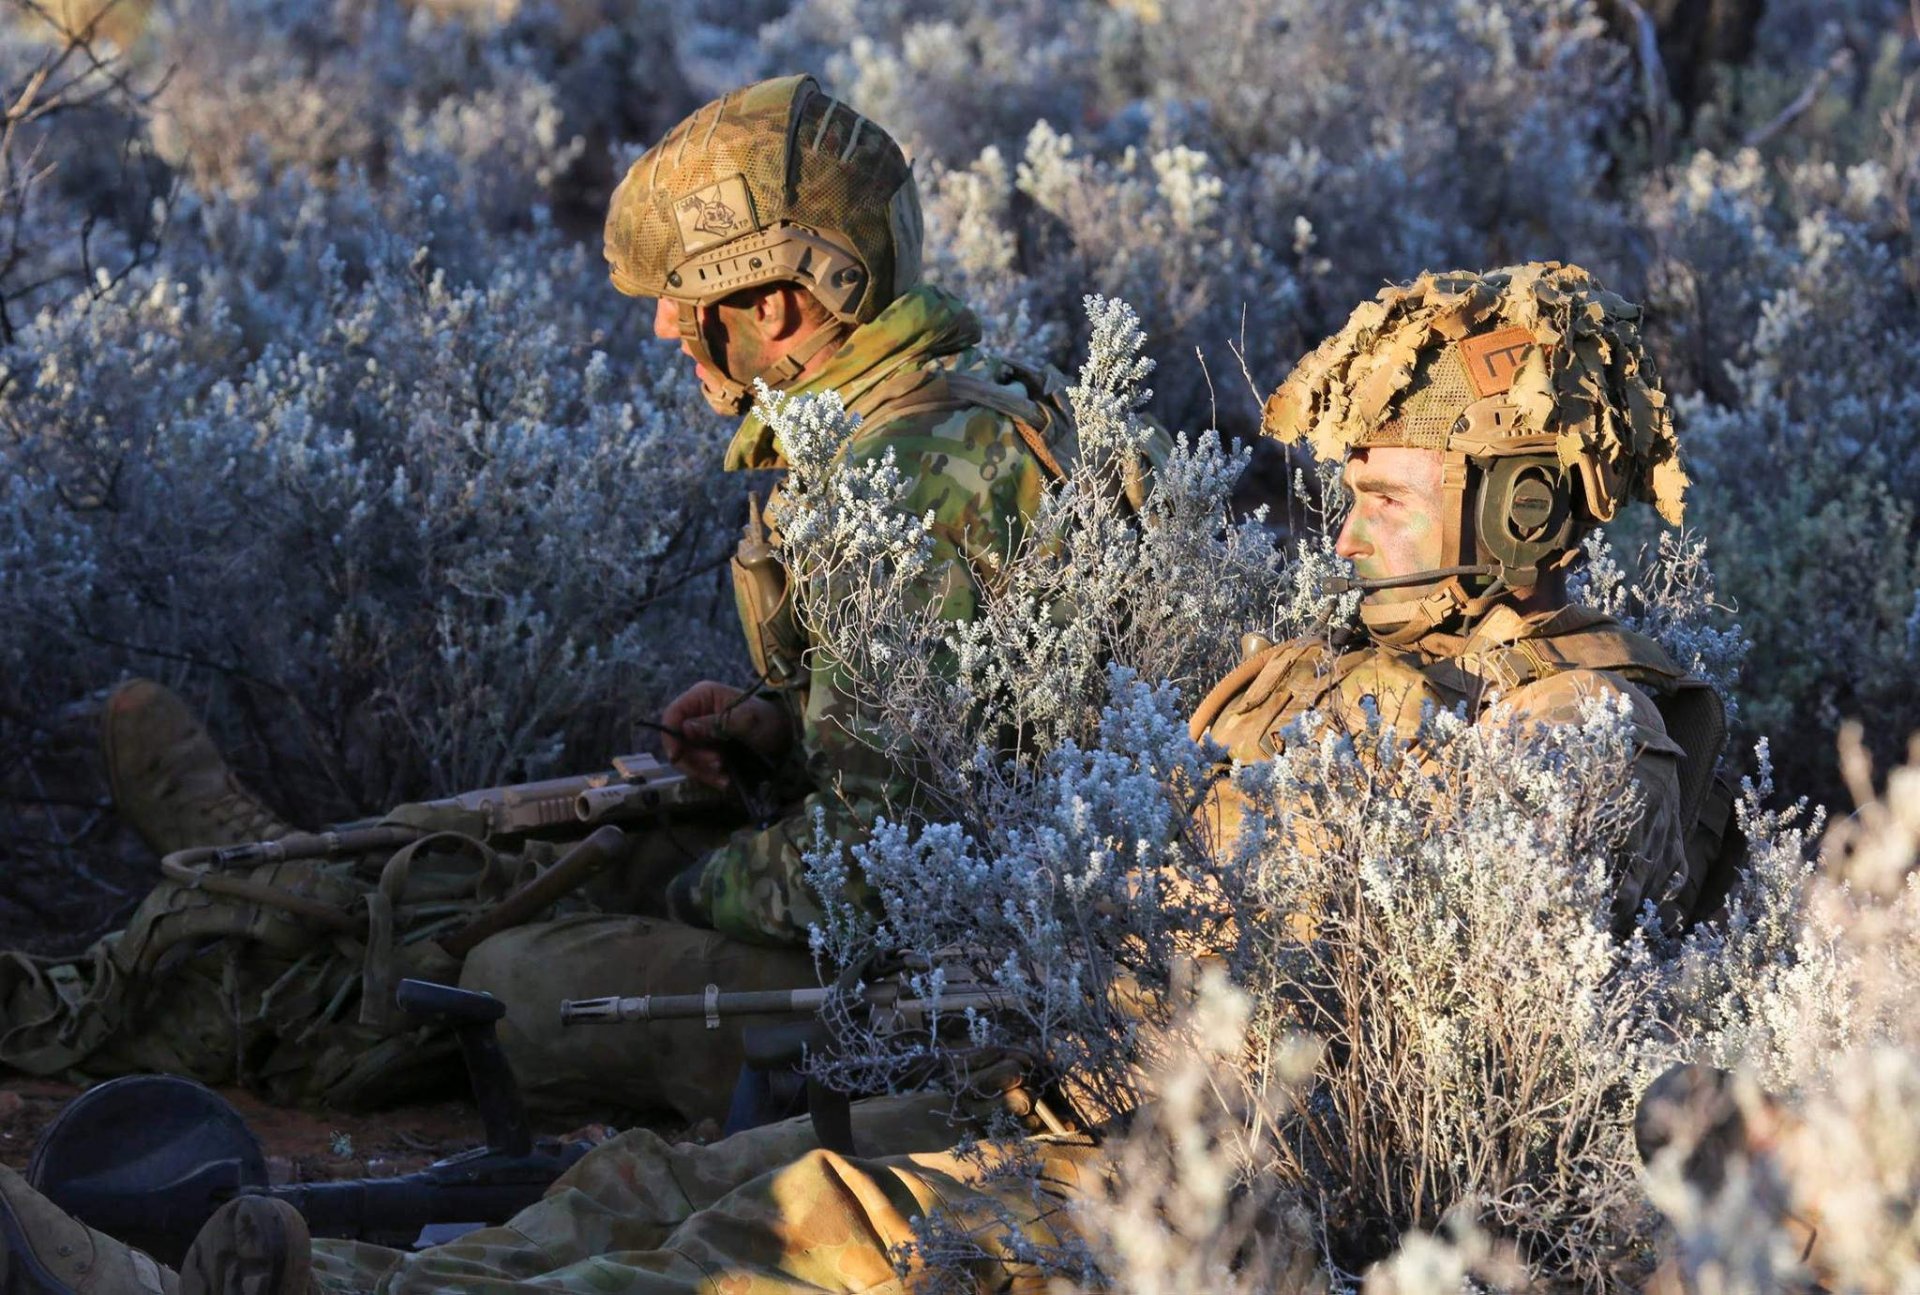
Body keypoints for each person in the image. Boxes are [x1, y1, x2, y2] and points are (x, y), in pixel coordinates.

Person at [0, 263, 1741, 1295]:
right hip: (1081, 1091)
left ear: (1522, 496)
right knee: (644, 1181)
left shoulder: (1581, 737)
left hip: (1238, 1187)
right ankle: (285, 1270)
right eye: (1353, 456)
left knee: (766, 1245)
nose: (1351, 489)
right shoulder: (1323, 666)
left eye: (1401, 462)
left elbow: (1422, 1066)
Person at [0, 73, 1086, 1120]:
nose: (669, 328)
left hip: (954, 990)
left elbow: (873, 872)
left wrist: (684, 887)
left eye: (687, 296)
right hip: (958, 901)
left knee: (512, 979)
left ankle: (201, 1008)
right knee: (538, 849)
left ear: (783, 297)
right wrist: (780, 728)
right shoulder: (961, 407)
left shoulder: (897, 483)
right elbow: (947, 753)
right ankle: (279, 892)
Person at [1192, 261, 1737, 936]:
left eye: (1387, 500)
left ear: (1519, 512)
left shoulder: (1589, 730)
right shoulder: (1344, 663)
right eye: (1352, 498)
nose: (1345, 541)